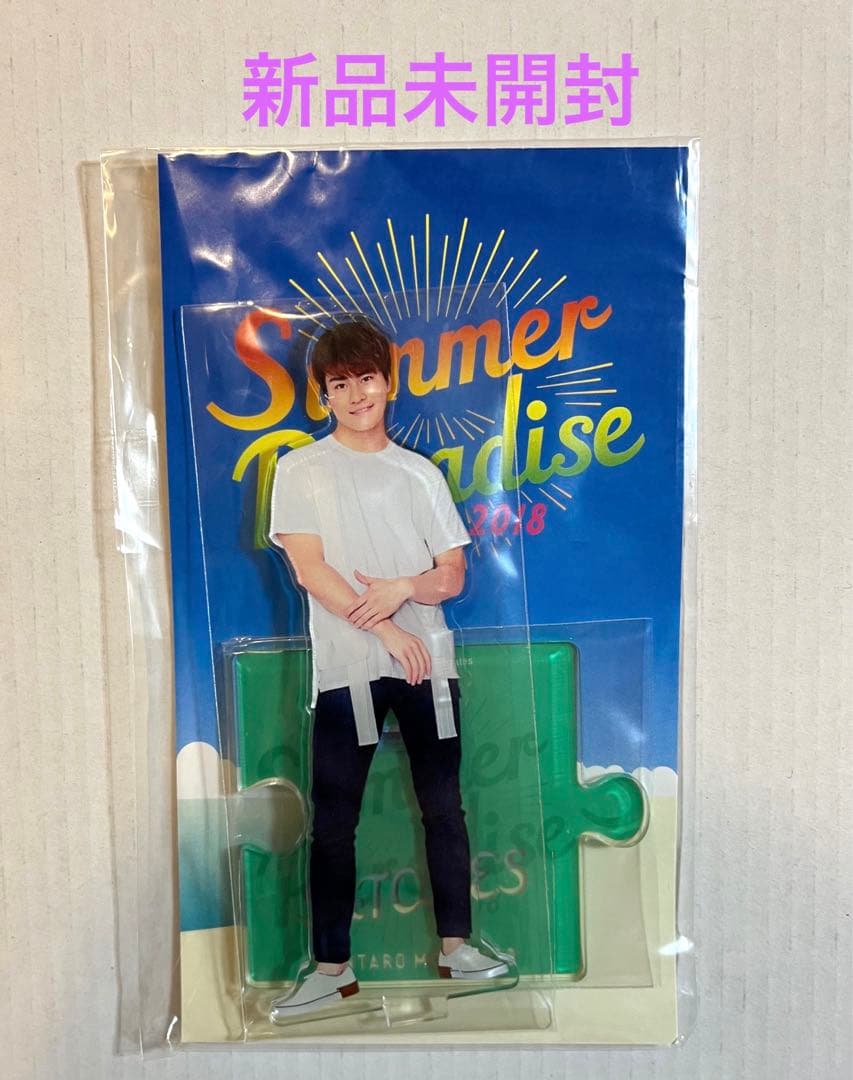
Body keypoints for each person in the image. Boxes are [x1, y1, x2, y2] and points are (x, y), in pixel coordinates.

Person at [268, 317, 508, 1020]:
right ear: (323, 394)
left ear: (389, 383)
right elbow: (309, 569)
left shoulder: (418, 474)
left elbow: (452, 574)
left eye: (366, 379)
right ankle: (331, 969)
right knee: (333, 821)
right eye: (339, 383)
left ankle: (457, 947)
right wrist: (386, 629)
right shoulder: (300, 470)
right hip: (347, 669)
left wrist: (404, 590)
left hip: (428, 666)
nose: (355, 395)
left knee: (444, 807)